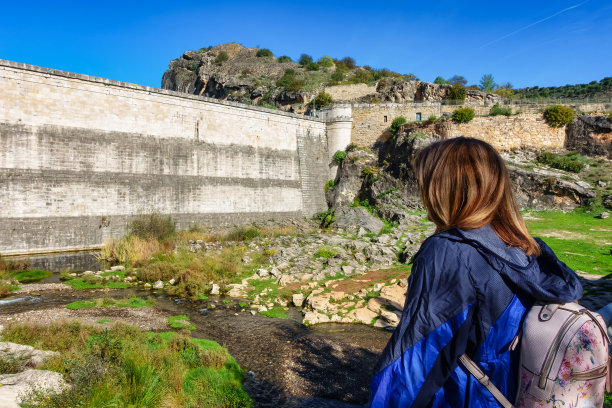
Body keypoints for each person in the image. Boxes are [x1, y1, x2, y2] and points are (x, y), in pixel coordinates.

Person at [369, 137, 583, 408]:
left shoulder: (449, 252)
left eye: (426, 184)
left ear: (445, 190)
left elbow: (416, 360)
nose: (423, 195)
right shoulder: (524, 247)